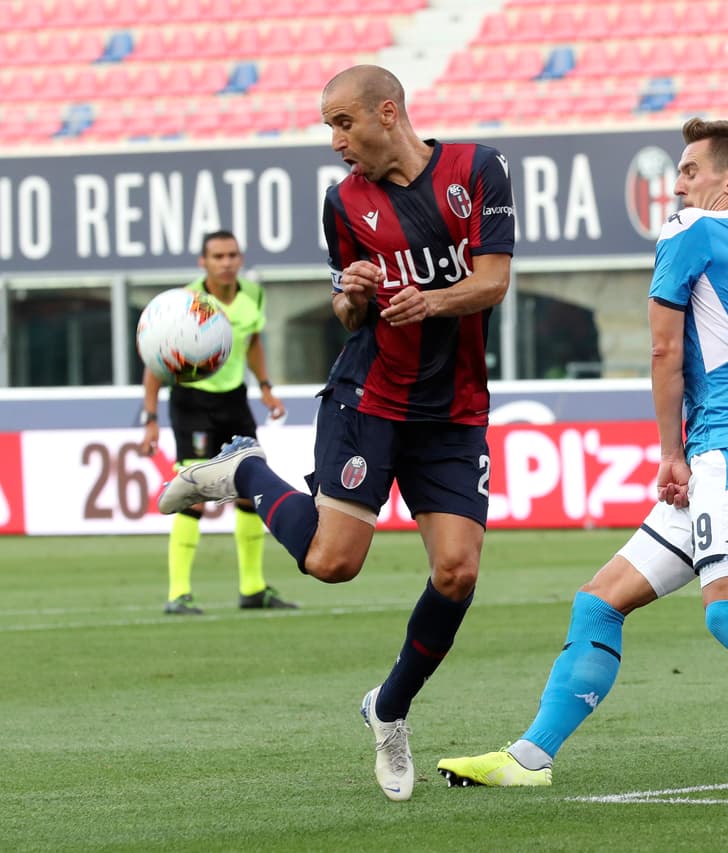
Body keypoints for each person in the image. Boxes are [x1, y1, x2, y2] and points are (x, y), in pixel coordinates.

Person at [436, 118, 728, 790]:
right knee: (599, 601)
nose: (676, 185)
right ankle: (531, 756)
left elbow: (664, 349)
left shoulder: (691, 231)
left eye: (689, 171)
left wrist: (668, 452)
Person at [154, 65, 515, 802]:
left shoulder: (476, 168)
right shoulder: (343, 202)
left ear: (389, 112)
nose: (335, 141)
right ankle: (245, 469)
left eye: (344, 123)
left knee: (459, 571)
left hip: (452, 408)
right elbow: (350, 311)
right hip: (370, 395)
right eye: (329, 126)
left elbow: (494, 280)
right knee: (329, 563)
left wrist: (431, 300)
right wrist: (351, 298)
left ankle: (388, 708)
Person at [140, 230, 293, 615]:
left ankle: (253, 589)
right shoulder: (185, 302)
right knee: (192, 495)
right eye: (217, 256)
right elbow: (158, 358)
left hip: (234, 402)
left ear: (240, 259)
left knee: (248, 492)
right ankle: (178, 595)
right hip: (191, 402)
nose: (225, 262)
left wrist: (266, 387)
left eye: (231, 255)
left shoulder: (253, 294)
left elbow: (252, 340)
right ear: (203, 262)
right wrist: (151, 418)